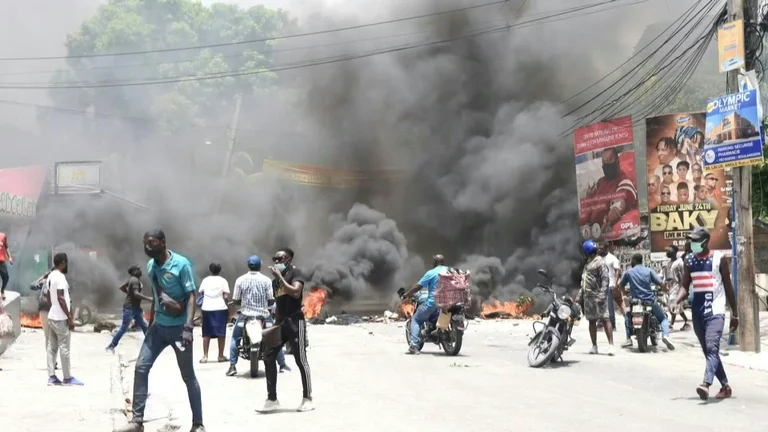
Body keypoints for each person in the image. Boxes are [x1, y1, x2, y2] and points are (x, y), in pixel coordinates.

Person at [115, 230, 205, 432]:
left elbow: (191, 296)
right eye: (145, 243)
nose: (147, 247)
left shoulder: (181, 264)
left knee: (188, 376)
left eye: (151, 243)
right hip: (158, 329)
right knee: (140, 368)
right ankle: (137, 422)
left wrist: (189, 327)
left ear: (163, 242)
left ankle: (198, 424)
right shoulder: (150, 266)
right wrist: (151, 322)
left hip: (180, 330)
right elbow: (156, 296)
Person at [673, 227, 737, 401]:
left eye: (695, 240)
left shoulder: (719, 259)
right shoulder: (689, 260)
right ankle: (725, 386)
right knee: (710, 351)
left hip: (715, 311)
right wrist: (676, 301)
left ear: (705, 241)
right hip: (698, 313)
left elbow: (729, 288)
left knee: (711, 347)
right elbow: (685, 286)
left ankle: (706, 384)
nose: (692, 243)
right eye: (691, 240)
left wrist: (735, 313)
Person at [257, 248, 313, 413]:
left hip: (296, 322)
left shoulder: (296, 273)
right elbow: (279, 306)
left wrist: (280, 277)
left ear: (288, 259)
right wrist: (274, 325)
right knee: (268, 356)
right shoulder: (275, 282)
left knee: (300, 360)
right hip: (281, 322)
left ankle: (308, 398)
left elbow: (296, 293)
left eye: (279, 259)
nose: (276, 262)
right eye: (274, 259)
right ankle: (272, 399)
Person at [226, 256, 289, 376]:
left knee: (235, 338)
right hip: (264, 315)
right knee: (275, 338)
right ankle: (282, 365)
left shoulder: (240, 280)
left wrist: (242, 302)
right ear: (260, 265)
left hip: (245, 315)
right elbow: (271, 301)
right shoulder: (266, 280)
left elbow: (236, 300)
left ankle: (232, 366)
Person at [618, 253, 675, 350]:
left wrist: (624, 294)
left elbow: (621, 285)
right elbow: (660, 283)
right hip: (649, 300)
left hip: (635, 301)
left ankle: (628, 338)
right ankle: (665, 335)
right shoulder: (649, 271)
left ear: (634, 260)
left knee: (628, 316)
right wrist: (665, 289)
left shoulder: (629, 272)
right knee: (663, 318)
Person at [578, 147, 638, 234]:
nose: (606, 164)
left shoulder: (624, 181)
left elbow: (619, 202)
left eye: (610, 160)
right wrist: (589, 196)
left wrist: (611, 216)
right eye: (604, 161)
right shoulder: (600, 182)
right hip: (590, 231)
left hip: (606, 232)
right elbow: (589, 206)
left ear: (617, 161)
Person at [46, 252, 84, 386]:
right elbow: (61, 298)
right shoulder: (60, 277)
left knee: (52, 348)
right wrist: (69, 317)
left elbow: (48, 296)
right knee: (64, 347)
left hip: (52, 316)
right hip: (61, 318)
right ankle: (67, 378)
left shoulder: (50, 276)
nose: (67, 264)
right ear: (62, 262)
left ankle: (51, 377)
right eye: (66, 262)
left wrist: (53, 308)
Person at [401, 254, 446, 355]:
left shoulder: (431, 273)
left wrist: (407, 294)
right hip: (448, 304)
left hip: (433, 303)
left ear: (434, 262)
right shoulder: (450, 271)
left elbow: (418, 286)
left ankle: (414, 346)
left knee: (416, 320)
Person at [578, 241, 615, 355]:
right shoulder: (587, 264)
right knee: (591, 322)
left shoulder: (599, 263)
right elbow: (584, 282)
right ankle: (594, 346)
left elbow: (605, 279)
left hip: (598, 296)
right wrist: (579, 297)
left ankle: (611, 346)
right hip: (588, 297)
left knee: (605, 320)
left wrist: (603, 295)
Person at [107, 265, 152, 353]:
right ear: (134, 272)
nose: (140, 271)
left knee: (145, 326)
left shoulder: (132, 279)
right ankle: (111, 345)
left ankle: (151, 346)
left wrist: (129, 293)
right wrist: (148, 298)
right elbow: (136, 293)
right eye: (138, 269)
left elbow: (122, 287)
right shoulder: (134, 280)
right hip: (130, 308)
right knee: (124, 328)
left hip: (135, 308)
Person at [199, 262, 230, 363]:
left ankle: (205, 356)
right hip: (220, 308)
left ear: (210, 269)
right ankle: (220, 356)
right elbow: (225, 296)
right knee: (221, 333)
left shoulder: (205, 280)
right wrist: (228, 307)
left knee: (206, 333)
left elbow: (201, 292)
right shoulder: (223, 281)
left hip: (207, 308)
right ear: (220, 270)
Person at [597, 243, 623, 331]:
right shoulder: (598, 258)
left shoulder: (612, 258)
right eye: (599, 248)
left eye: (601, 248)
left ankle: (613, 325)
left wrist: (615, 283)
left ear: (606, 248)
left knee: (609, 306)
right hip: (598, 286)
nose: (599, 250)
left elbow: (617, 270)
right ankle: (600, 324)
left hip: (609, 285)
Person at [665, 246, 690, 331]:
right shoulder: (668, 263)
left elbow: (683, 275)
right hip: (670, 287)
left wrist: (683, 289)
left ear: (675, 251)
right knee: (675, 307)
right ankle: (686, 322)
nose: (667, 252)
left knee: (674, 304)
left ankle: (671, 325)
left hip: (677, 287)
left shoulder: (679, 262)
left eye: (669, 250)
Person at [0, 231, 12, 299]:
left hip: (1, 261)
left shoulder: (3, 236)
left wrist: (10, 257)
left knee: (6, 278)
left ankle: (2, 291)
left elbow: (6, 247)